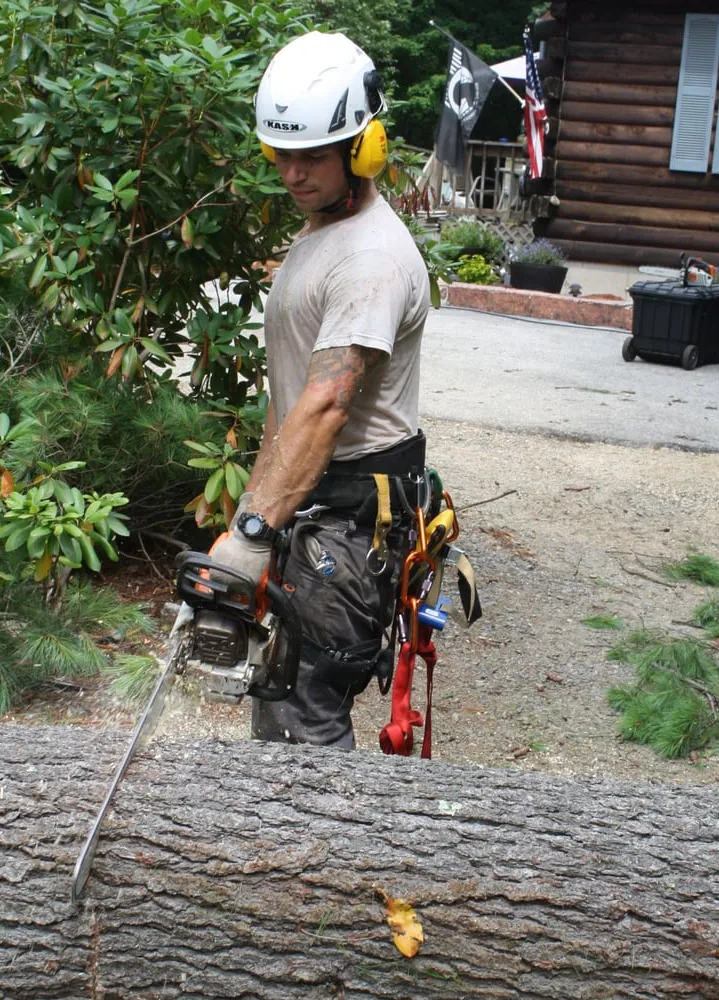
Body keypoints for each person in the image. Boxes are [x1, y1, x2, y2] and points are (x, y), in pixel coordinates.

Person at [208, 30, 431, 749]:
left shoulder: (370, 260)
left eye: (313, 156)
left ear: (364, 148)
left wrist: (250, 535)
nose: (294, 174)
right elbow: (290, 400)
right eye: (283, 155)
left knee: (308, 707)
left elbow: (327, 403)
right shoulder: (326, 234)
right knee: (280, 686)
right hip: (313, 508)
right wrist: (257, 511)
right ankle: (287, 844)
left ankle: (331, 852)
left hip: (349, 525)